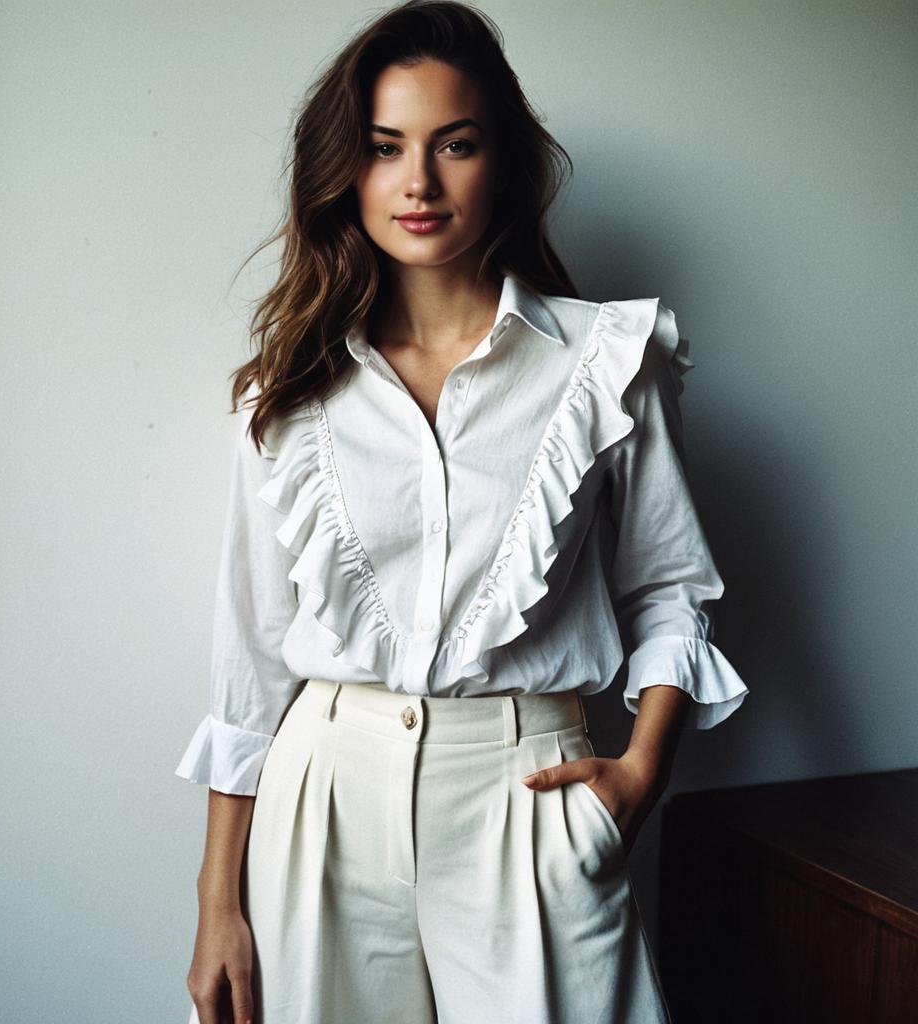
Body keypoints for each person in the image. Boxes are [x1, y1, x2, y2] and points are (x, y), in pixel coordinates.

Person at [175, 2, 749, 1021]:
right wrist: (218, 898)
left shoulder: (606, 362)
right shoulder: (288, 394)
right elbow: (251, 657)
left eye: (456, 144)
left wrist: (637, 777)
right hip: (326, 798)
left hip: (529, 794)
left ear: (505, 162)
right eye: (385, 148)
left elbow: (667, 588)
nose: (419, 182)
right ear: (345, 172)